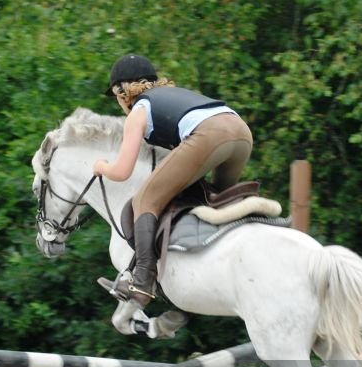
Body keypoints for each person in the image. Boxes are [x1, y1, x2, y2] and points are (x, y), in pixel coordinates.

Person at [93, 54, 253, 312]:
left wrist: (102, 167)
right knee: (217, 200)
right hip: (241, 132)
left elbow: (122, 171)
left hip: (209, 136)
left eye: (116, 97)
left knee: (144, 200)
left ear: (122, 92)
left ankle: (142, 280)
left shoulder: (139, 111)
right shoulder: (175, 97)